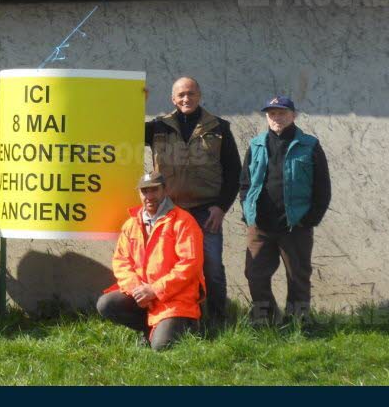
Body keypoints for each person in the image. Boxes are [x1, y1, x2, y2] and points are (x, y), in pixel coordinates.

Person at [145, 76, 241, 325]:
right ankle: (172, 320)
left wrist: (221, 207)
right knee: (166, 267)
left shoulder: (219, 128)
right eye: (181, 95)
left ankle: (217, 321)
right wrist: (137, 102)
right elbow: (123, 127)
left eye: (191, 94)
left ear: (199, 95)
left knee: (211, 267)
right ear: (172, 99)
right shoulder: (157, 127)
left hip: (205, 211)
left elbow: (233, 172)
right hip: (170, 211)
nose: (186, 99)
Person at [239, 96, 331, 325]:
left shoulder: (309, 145)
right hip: (260, 226)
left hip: (295, 226)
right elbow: (245, 183)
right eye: (272, 114)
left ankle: (298, 322)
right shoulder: (256, 144)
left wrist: (309, 220)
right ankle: (265, 319)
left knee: (297, 277)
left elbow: (322, 187)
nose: (276, 118)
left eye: (282, 113)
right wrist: (249, 212)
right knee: (255, 274)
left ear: (294, 115)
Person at [97, 172, 205, 351]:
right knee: (105, 304)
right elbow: (121, 261)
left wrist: (154, 290)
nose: (149, 196)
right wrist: (137, 290)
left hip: (175, 299)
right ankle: (149, 328)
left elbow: (189, 265)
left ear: (165, 190)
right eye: (144, 191)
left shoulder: (183, 222)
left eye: (154, 190)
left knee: (160, 347)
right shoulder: (131, 224)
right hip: (143, 296)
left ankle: (188, 325)